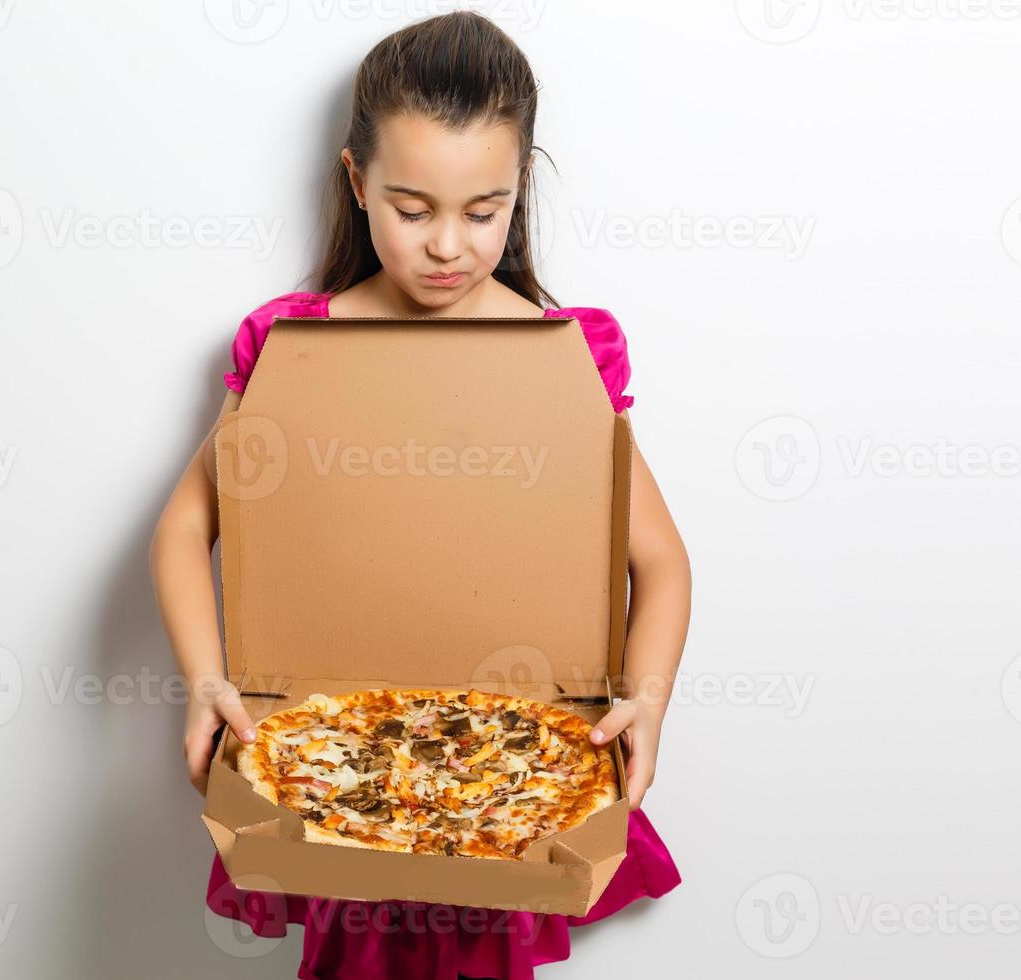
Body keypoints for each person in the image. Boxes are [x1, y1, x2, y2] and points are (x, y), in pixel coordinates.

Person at [149, 11, 691, 979]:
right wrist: (207, 679)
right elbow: (190, 522)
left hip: (512, 768)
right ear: (357, 182)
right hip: (336, 767)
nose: (448, 246)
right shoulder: (293, 343)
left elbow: (658, 558)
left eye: (484, 211)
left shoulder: (566, 353)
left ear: (522, 188)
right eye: (412, 208)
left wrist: (645, 701)